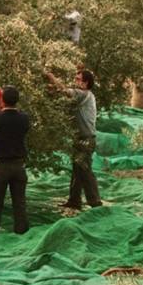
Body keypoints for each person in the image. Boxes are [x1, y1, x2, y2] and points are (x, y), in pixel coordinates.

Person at [45, 69, 102, 209]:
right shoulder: (84, 96)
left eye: (78, 79)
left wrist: (51, 77)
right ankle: (74, 201)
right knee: (78, 169)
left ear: (85, 82)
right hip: (80, 138)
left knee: (85, 169)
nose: (75, 81)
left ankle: (95, 202)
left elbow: (65, 91)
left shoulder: (84, 94)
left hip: (86, 139)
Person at [0, 85, 31, 236]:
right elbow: (15, 115)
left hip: (1, 167)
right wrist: (3, 100)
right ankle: (22, 234)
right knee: (20, 205)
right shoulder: (24, 119)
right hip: (19, 166)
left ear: (2, 100)